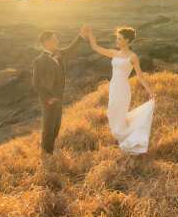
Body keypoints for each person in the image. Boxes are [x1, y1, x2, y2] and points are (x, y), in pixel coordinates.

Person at [88, 26, 156, 155]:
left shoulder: (133, 57)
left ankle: (125, 142)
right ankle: (122, 139)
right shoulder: (115, 53)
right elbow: (96, 47)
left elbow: (140, 76)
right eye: (117, 38)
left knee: (118, 114)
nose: (117, 41)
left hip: (123, 88)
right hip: (114, 86)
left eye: (119, 39)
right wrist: (90, 33)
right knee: (112, 113)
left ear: (127, 40)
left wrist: (150, 92)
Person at [32, 24, 89, 156]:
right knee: (48, 128)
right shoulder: (40, 61)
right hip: (49, 100)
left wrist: (82, 35)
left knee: (56, 127)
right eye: (54, 39)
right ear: (46, 42)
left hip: (59, 97)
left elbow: (70, 49)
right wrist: (48, 99)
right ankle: (46, 155)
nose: (57, 41)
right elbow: (36, 83)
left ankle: (50, 151)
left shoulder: (58, 53)